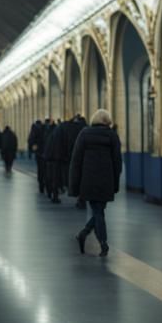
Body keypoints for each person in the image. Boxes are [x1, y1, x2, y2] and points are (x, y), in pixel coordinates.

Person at [69, 109, 122, 258]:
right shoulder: (112, 136)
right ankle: (102, 243)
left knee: (98, 211)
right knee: (99, 210)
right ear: (108, 121)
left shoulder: (84, 134)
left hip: (89, 179)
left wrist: (74, 184)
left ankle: (84, 234)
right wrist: (116, 182)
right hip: (107, 180)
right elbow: (117, 161)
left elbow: (76, 160)